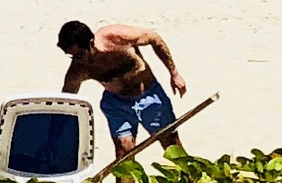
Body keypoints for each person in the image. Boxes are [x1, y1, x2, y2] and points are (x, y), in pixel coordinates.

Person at [58, 18, 187, 148]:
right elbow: (67, 100)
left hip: (149, 95)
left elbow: (154, 38)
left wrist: (174, 74)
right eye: (72, 57)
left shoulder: (117, 37)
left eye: (79, 55)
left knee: (171, 144)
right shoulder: (78, 70)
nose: (77, 61)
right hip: (117, 103)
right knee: (124, 151)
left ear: (91, 43)